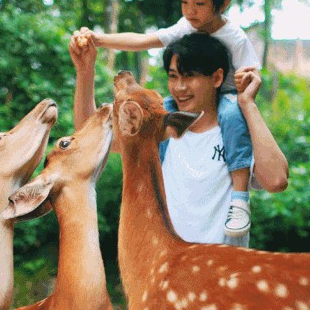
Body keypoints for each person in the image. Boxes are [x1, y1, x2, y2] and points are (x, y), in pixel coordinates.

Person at [74, 0, 259, 239]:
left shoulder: (235, 37)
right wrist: (98, 39)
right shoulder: (184, 27)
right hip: (166, 249)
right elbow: (143, 40)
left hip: (229, 96)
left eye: (199, 4)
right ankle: (155, 181)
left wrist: (245, 92)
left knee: (233, 115)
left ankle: (239, 199)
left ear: (222, 4)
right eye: (185, 2)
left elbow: (251, 75)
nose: (191, 11)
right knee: (156, 117)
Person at [69, 32, 288, 248]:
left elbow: (276, 180)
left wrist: (248, 103)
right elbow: (89, 134)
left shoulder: (234, 131)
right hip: (169, 273)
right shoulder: (157, 129)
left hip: (224, 275)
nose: (180, 87)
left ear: (217, 78)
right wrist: (84, 70)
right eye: (173, 76)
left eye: (190, 76)